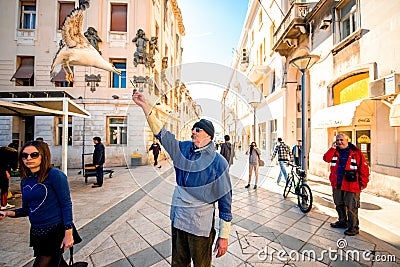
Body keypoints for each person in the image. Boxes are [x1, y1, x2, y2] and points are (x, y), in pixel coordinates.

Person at [132, 89, 232, 266]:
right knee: (178, 262)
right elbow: (162, 134)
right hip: (179, 217)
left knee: (201, 264)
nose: (193, 131)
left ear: (208, 135)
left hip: (200, 222)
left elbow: (225, 202)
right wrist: (144, 106)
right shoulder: (183, 149)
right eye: (193, 128)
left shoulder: (219, 162)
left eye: (198, 129)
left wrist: (223, 236)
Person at [0, 140, 81, 266]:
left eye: (34, 155)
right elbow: (27, 209)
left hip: (55, 230)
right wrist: (7, 213)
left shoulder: (55, 175)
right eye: (24, 155)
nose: (28, 158)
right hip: (37, 232)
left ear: (43, 155)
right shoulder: (25, 180)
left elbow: (66, 204)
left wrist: (68, 234)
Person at [323, 133, 370, 236]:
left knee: (352, 207)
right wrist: (332, 149)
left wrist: (363, 183)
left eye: (341, 140)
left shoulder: (355, 152)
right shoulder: (334, 151)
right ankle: (342, 221)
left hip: (351, 185)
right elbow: (326, 158)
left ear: (346, 140)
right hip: (337, 184)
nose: (339, 142)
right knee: (339, 204)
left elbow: (364, 168)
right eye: (337, 140)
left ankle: (353, 227)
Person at [0, 143, 18, 210]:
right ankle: (4, 204)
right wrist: (13, 170)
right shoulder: (13, 152)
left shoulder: (2, 149)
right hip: (3, 171)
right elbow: (13, 163)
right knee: (4, 187)